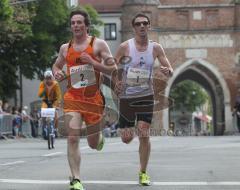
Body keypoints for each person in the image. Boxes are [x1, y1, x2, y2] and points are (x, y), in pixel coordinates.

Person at [52, 9, 116, 190]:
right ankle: (76, 179)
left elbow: (113, 69)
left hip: (93, 99)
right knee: (72, 137)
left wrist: (93, 62)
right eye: (73, 23)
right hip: (72, 97)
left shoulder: (98, 44)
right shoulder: (66, 48)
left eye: (79, 22)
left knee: (93, 143)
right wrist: (57, 72)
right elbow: (57, 65)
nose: (76, 25)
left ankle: (99, 138)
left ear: (86, 25)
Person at [114, 13, 173, 186]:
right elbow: (112, 64)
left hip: (146, 95)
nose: (141, 26)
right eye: (138, 24)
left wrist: (168, 71)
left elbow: (168, 67)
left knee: (144, 133)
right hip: (126, 96)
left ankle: (143, 172)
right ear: (133, 27)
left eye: (145, 23)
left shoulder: (156, 48)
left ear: (149, 26)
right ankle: (127, 130)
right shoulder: (125, 46)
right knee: (126, 138)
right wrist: (117, 81)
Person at [38, 70, 62, 139]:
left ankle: (55, 129)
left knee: (56, 115)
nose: (48, 80)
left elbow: (59, 95)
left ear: (52, 78)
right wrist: (45, 87)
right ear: (45, 79)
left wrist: (58, 103)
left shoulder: (55, 84)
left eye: (49, 78)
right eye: (47, 78)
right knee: (43, 115)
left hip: (54, 101)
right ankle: (44, 128)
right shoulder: (42, 84)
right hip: (45, 102)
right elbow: (39, 95)